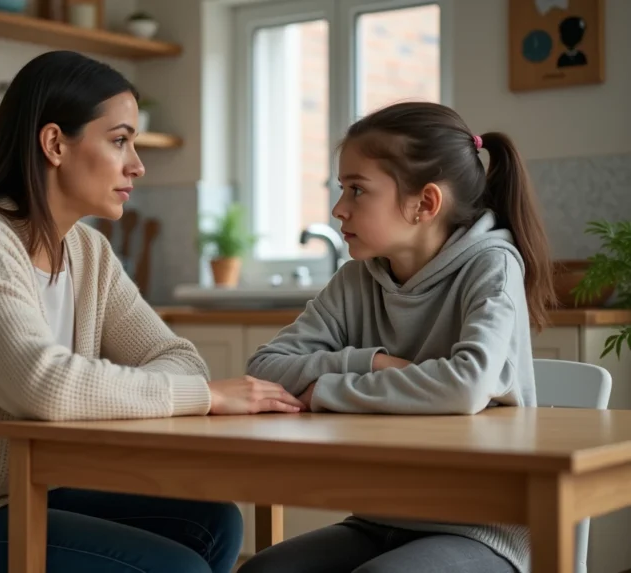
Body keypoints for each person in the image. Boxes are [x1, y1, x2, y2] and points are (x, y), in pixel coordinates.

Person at [0, 50, 306, 573]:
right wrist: (203, 398)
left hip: (26, 491)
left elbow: (178, 357)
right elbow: (44, 386)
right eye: (119, 140)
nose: (137, 163)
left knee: (214, 520)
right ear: (54, 144)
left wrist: (174, 388)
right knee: (175, 567)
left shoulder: (89, 252)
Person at [238, 101, 556, 573]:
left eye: (356, 190)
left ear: (424, 203)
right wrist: (375, 363)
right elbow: (264, 367)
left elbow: (466, 386)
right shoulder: (356, 280)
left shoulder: (492, 264)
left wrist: (326, 390)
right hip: (380, 514)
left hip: (485, 528)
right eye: (341, 188)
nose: (338, 208)